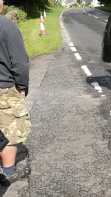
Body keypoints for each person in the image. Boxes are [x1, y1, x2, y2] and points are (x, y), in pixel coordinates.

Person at [0, 0, 31, 185]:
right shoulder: (7, 27)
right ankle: (8, 173)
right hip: (4, 89)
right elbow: (20, 63)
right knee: (9, 133)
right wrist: (22, 86)